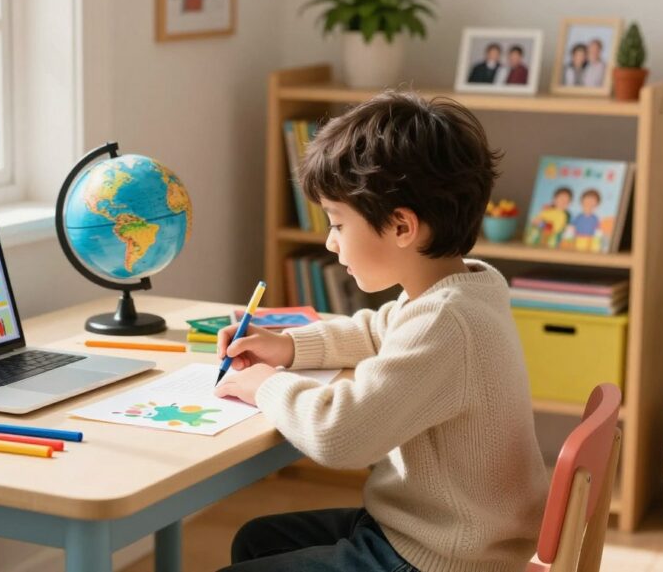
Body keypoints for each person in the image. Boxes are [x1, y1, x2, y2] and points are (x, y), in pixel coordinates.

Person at [214, 91, 548, 572]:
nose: (330, 241)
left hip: (440, 556)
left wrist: (265, 385)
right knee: (258, 540)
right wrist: (288, 346)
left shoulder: (445, 323)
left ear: (401, 226)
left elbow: (341, 434)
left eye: (337, 224)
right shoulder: (466, 286)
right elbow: (378, 330)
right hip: (433, 531)